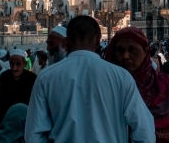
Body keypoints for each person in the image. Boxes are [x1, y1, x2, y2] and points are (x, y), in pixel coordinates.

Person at [25, 15, 154, 143]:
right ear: (98, 40)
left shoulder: (46, 78)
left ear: (67, 42)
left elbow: (33, 135)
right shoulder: (121, 77)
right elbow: (145, 132)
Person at [105, 27, 169, 143]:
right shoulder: (106, 87)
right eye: (120, 50)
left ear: (145, 51)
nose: (125, 56)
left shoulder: (166, 85)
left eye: (132, 50)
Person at [0, 49, 37, 128]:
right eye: (12, 64)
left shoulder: (32, 78)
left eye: (18, 64)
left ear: (24, 64)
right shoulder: (4, 76)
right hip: (7, 122)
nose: (14, 68)